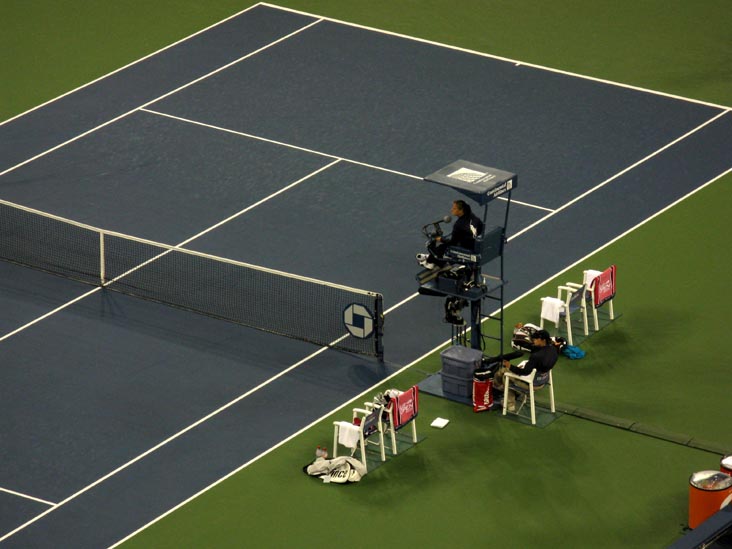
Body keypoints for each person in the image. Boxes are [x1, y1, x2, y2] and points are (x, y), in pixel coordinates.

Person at [416, 200, 484, 325]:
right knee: (446, 244)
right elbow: (481, 227)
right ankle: (431, 259)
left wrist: (440, 239)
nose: (452, 210)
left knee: (441, 247)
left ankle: (431, 261)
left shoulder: (458, 225)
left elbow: (452, 243)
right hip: (474, 247)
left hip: (465, 251)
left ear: (460, 210)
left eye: (454, 208)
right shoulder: (473, 217)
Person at [492, 329, 558, 412]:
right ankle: (509, 392)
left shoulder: (536, 356)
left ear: (543, 340)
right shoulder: (553, 350)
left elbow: (524, 372)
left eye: (535, 339)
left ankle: (508, 403)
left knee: (505, 374)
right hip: (543, 380)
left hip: (533, 384)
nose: (533, 340)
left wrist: (510, 366)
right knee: (517, 371)